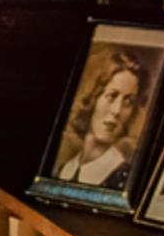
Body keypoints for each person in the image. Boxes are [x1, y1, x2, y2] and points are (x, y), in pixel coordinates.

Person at [52, 49, 151, 189]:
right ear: (93, 96)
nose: (117, 110)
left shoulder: (124, 178)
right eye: (112, 96)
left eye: (128, 101)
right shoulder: (65, 170)